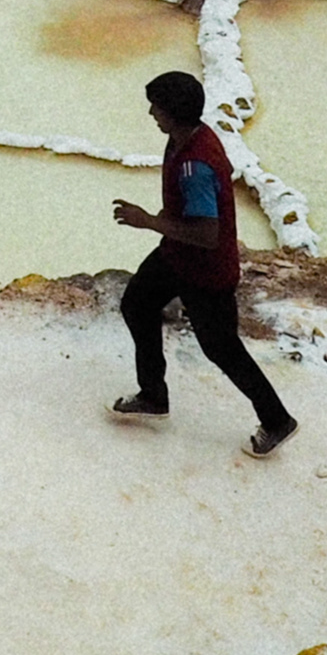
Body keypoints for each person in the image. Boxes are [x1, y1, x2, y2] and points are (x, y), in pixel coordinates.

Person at [110, 70, 299, 458]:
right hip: (176, 255)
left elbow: (206, 234)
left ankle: (277, 419)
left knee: (222, 349)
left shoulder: (195, 167)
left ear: (173, 113)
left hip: (205, 271)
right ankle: (153, 395)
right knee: (137, 304)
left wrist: (148, 221)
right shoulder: (186, 138)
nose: (151, 113)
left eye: (156, 107)